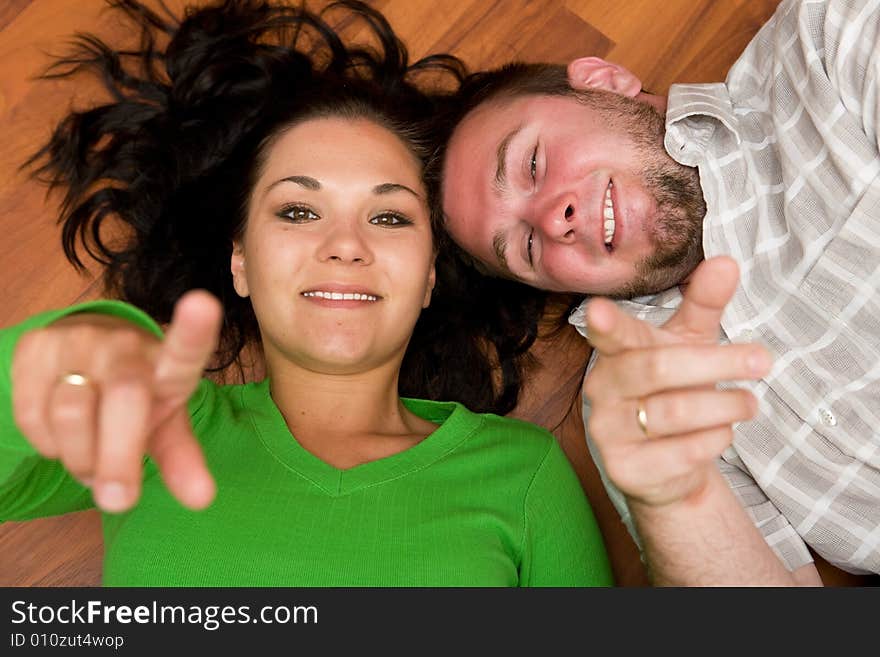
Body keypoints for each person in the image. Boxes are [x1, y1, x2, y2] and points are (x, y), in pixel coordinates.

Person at [0, 0, 613, 587]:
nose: (345, 245)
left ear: (429, 273)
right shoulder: (157, 424)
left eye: (390, 217)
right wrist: (65, 350)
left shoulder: (523, 474)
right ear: (239, 261)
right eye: (297, 211)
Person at [434, 0, 879, 584]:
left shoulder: (825, 42)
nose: (552, 219)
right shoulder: (632, 404)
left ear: (606, 82)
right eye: (528, 249)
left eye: (534, 163)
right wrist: (675, 502)